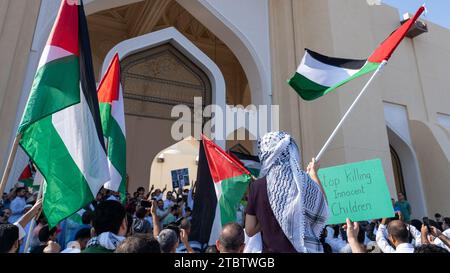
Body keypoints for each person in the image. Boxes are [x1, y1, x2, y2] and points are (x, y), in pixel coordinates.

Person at [245, 131, 329, 253]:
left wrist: (270, 216)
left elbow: (250, 229)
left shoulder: (257, 186)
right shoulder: (303, 181)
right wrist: (313, 175)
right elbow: (323, 208)